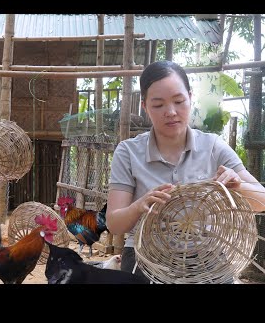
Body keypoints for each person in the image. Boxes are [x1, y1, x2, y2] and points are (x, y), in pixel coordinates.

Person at [106, 60, 265, 282]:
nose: (170, 112)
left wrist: (237, 185)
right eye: (158, 105)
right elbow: (114, 223)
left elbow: (261, 202)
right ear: (144, 106)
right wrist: (137, 207)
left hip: (207, 257)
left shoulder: (213, 146)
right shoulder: (128, 152)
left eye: (179, 101)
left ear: (190, 97)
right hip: (146, 257)